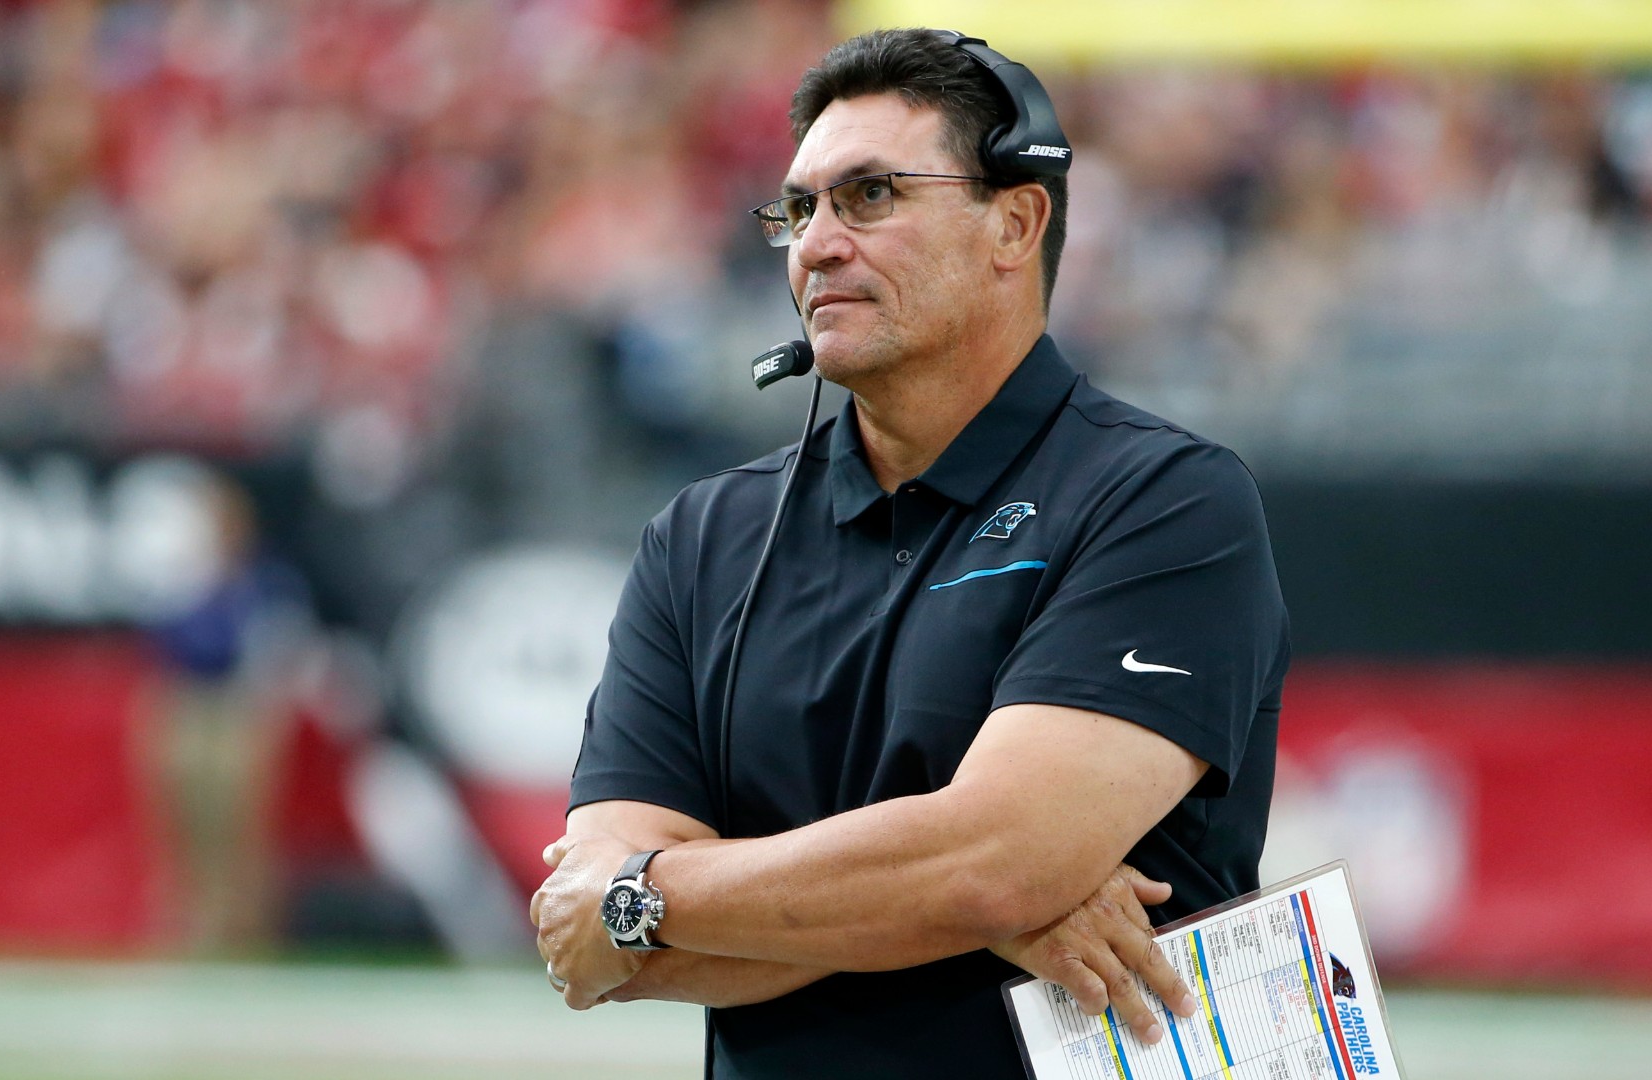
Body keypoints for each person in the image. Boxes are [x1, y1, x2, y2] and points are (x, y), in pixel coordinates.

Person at [533, 28, 1290, 1079]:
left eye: (872, 195)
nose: (816, 244)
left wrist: (653, 899)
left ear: (1015, 223)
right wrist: (952, 896)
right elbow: (588, 950)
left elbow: (992, 865)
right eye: (799, 209)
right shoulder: (702, 537)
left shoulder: (1167, 500)